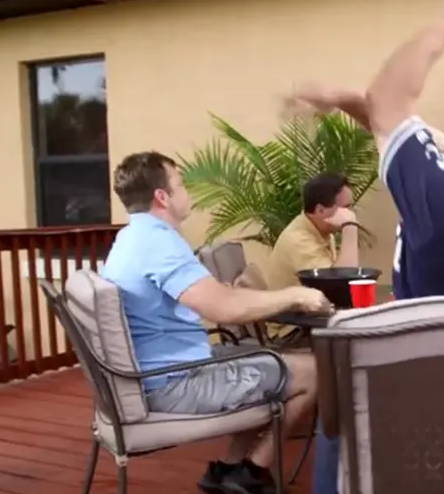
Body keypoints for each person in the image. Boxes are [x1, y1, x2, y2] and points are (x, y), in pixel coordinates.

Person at [291, 1, 444, 492]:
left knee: (336, 406)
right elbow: (393, 126)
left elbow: (388, 103)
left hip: (429, 382)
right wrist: (340, 99)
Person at [102, 151, 332, 494]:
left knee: (253, 363)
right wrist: (295, 296)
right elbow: (224, 310)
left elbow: (208, 296)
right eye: (181, 184)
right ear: (162, 197)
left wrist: (229, 292)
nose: (186, 191)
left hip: (156, 375)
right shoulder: (158, 243)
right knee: (313, 370)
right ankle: (251, 472)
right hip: (173, 384)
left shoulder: (131, 237)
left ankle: (227, 472)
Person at [266, 172, 359, 289]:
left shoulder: (322, 232)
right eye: (346, 207)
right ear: (320, 210)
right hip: (293, 307)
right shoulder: (298, 239)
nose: (351, 214)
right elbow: (340, 284)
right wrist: (350, 226)